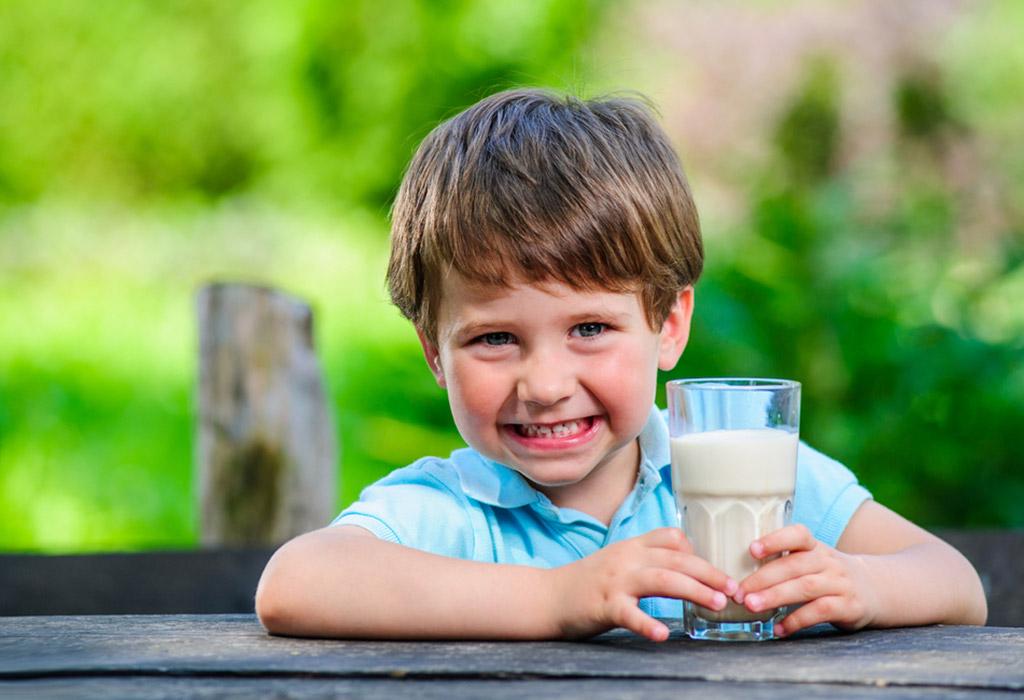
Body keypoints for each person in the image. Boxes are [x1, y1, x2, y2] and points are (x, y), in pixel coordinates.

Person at [255, 88, 986, 641]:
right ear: (433, 352)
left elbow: (956, 583)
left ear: (668, 326)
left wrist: (859, 583)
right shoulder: (451, 508)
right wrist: (556, 598)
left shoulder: (735, 471)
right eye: (494, 340)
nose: (544, 386)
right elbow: (294, 584)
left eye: (591, 328)